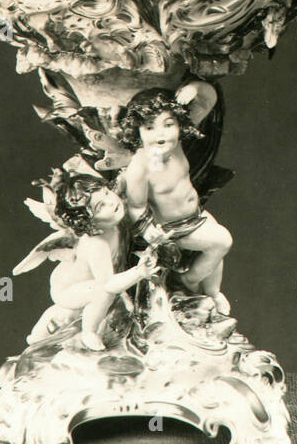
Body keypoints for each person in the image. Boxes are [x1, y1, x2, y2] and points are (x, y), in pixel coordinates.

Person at [118, 80, 233, 315]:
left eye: (168, 125)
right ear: (137, 130)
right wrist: (152, 234)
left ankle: (211, 291)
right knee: (222, 242)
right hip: (173, 228)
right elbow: (136, 208)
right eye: (149, 128)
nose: (160, 135)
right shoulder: (140, 167)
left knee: (216, 255)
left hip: (197, 216)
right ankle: (187, 282)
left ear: (179, 124)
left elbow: (208, 101)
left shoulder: (176, 145)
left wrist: (196, 90)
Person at [19, 174, 156, 352]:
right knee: (101, 293)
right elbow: (109, 284)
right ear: (87, 220)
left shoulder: (114, 222)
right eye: (100, 206)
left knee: (75, 310)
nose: (111, 202)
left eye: (107, 193)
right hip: (68, 288)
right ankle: (89, 332)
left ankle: (42, 332)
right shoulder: (96, 244)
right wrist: (139, 273)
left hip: (86, 283)